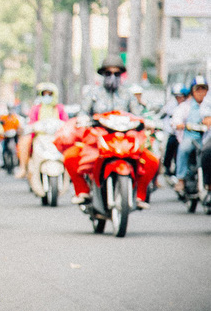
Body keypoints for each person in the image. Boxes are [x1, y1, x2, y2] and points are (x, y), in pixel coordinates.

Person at [62, 55, 159, 209]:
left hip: (125, 139)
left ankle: (139, 195)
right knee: (70, 157)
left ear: (121, 75)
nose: (112, 77)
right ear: (102, 75)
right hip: (97, 139)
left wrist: (145, 122)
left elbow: (138, 115)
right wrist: (83, 119)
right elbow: (83, 112)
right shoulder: (92, 94)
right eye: (108, 73)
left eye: (116, 74)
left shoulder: (128, 95)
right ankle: (83, 191)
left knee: (152, 161)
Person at [15, 82, 68, 179]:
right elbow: (31, 122)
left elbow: (65, 122)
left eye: (49, 94)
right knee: (24, 141)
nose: (47, 96)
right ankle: (23, 167)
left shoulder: (59, 108)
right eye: (45, 94)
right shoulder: (36, 108)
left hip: (55, 136)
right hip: (38, 136)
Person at [171, 76, 211, 193]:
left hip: (205, 138)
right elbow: (176, 119)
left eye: (203, 89)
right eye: (198, 89)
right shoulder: (186, 106)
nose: (200, 93)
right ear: (192, 91)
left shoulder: (207, 104)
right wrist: (180, 124)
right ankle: (181, 178)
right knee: (184, 149)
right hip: (191, 137)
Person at [159, 83, 188, 176]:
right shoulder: (171, 104)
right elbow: (163, 113)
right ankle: (167, 167)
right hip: (174, 133)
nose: (179, 99)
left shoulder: (187, 105)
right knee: (170, 146)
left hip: (185, 134)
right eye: (177, 97)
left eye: (181, 96)